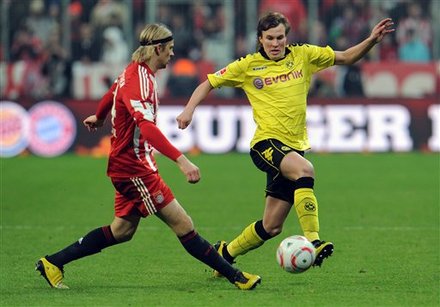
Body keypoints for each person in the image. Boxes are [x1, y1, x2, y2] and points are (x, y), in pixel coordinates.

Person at [35, 23, 261, 291]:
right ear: (158, 48)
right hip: (134, 169)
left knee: (122, 231)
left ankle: (53, 263)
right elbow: (148, 128)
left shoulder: (134, 73)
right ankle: (236, 277)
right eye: (170, 49)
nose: (172, 55)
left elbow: (111, 92)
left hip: (128, 165)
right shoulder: (140, 81)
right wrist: (181, 160)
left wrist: (100, 115)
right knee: (183, 224)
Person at [176, 12, 395, 272]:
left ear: (286, 37)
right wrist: (188, 110)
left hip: (294, 147)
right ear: (260, 39)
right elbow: (208, 83)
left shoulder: (303, 55)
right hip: (265, 144)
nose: (276, 43)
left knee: (271, 226)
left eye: (280, 37)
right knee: (305, 170)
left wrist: (371, 40)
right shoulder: (248, 65)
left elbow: (346, 56)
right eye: (269, 38)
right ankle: (314, 241)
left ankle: (226, 252)